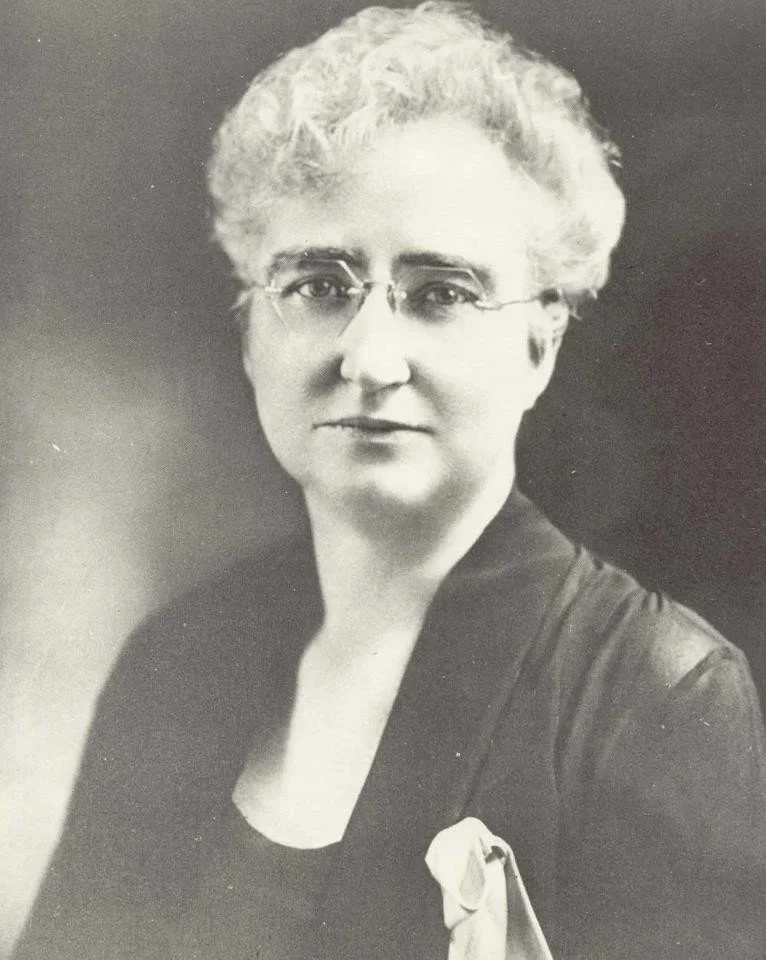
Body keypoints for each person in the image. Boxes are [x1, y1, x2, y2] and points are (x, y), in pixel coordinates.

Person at [13, 3, 766, 959]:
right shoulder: (175, 664)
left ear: (539, 345)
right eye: (319, 286)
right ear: (249, 334)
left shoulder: (651, 697)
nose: (369, 357)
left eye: (441, 293)